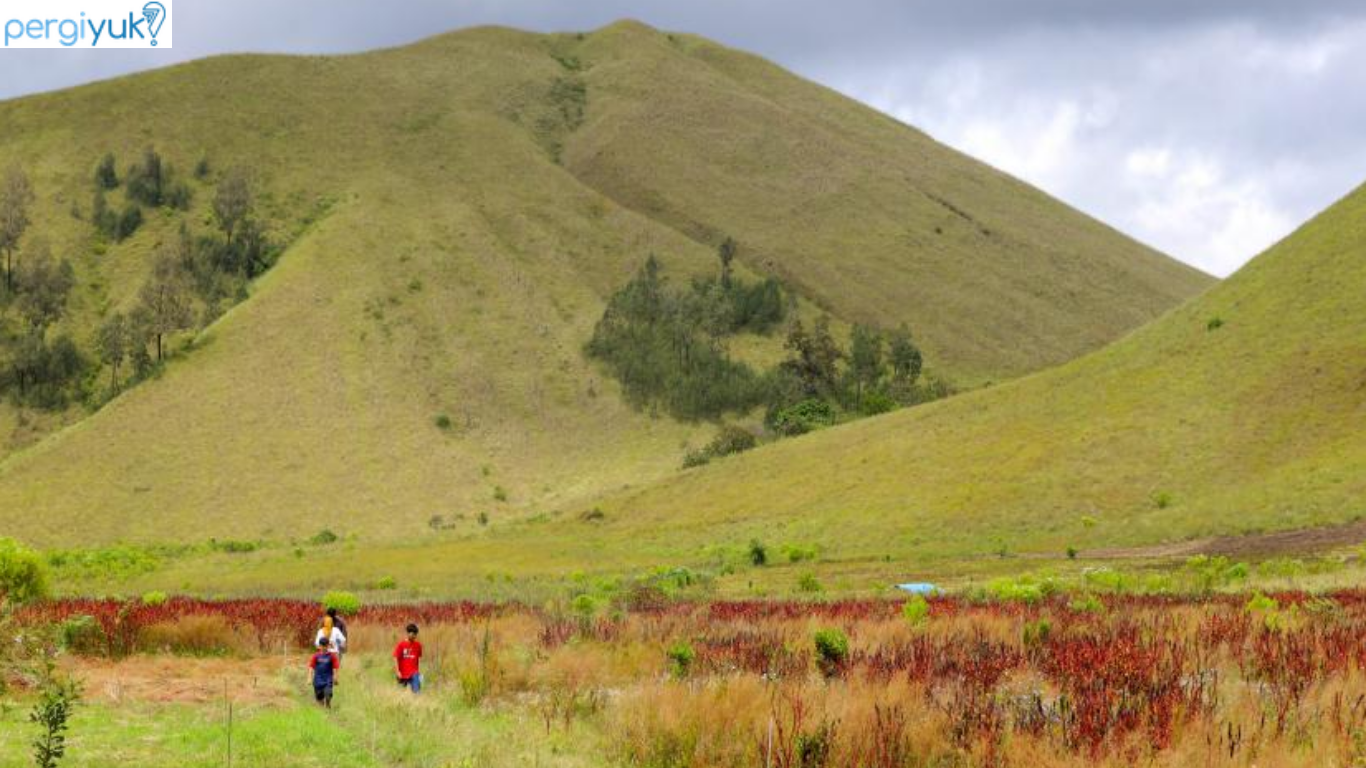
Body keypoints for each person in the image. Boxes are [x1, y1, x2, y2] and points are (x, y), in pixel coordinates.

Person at [308, 636, 340, 708]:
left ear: (328, 645)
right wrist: (309, 678)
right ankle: (322, 711)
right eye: (322, 646)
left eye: (325, 646)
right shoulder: (316, 656)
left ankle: (328, 704)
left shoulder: (332, 656)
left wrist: (335, 678)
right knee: (319, 699)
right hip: (317, 681)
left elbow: (335, 668)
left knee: (328, 694)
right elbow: (311, 667)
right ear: (319, 646)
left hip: (328, 680)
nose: (324, 648)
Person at [393, 623, 423, 693]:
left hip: (414, 673)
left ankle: (418, 702)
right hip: (403, 674)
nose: (414, 636)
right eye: (412, 634)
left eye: (415, 635)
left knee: (417, 692)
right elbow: (395, 658)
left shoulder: (418, 645)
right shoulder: (401, 645)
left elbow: (418, 659)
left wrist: (418, 672)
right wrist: (397, 671)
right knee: (401, 694)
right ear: (408, 633)